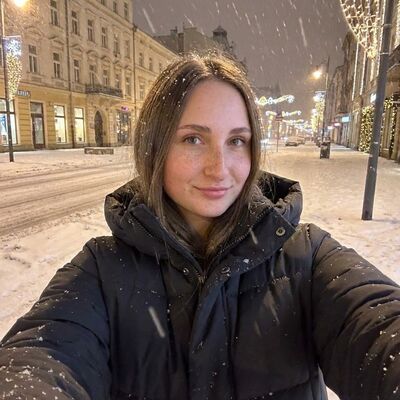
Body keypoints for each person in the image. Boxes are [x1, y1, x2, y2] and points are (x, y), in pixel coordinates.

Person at [0, 52, 399, 400]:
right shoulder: (101, 272)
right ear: (155, 148)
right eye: (193, 139)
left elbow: (377, 323)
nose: (218, 168)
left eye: (236, 141)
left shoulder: (307, 257)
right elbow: (39, 357)